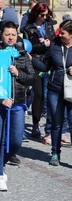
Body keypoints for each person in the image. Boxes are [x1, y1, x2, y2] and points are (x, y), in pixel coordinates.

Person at [0, 21, 36, 191]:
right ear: (1, 35)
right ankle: (0, 174)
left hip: (18, 103)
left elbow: (32, 78)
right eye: (7, 34)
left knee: (16, 141)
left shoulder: (22, 54)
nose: (10, 37)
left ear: (17, 35)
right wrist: (1, 99)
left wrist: (18, 73)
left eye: (13, 34)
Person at [32, 19, 72, 167]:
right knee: (56, 123)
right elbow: (45, 66)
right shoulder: (55, 45)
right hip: (55, 89)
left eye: (63, 33)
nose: (59, 35)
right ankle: (55, 152)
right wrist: (32, 60)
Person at [22, 2, 55, 142]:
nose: (44, 17)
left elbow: (54, 41)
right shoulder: (28, 28)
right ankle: (35, 124)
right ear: (36, 14)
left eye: (46, 14)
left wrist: (48, 41)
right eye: (42, 15)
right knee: (38, 93)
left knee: (44, 96)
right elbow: (27, 46)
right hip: (34, 62)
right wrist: (41, 44)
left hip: (47, 61)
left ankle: (39, 121)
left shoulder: (49, 25)